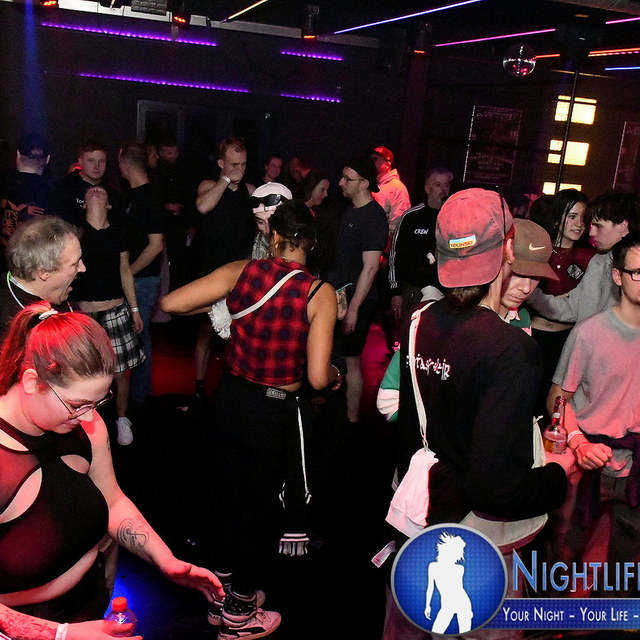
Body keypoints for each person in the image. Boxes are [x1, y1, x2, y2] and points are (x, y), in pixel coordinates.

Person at [383, 188, 568, 640]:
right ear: (507, 249)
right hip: (477, 541)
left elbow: (410, 434)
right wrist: (557, 478)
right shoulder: (511, 348)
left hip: (427, 515)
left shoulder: (419, 320)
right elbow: (494, 488)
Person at [161, 200, 341, 640]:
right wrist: (337, 376)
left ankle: (219, 595)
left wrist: (221, 307)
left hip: (230, 401)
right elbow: (318, 378)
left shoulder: (240, 272)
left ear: (273, 236)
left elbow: (170, 303)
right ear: (311, 243)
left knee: (228, 498)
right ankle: (239, 613)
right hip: (273, 412)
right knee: (259, 511)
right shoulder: (318, 292)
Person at [0, 303, 223, 640]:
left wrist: (164, 559)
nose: (88, 416)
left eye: (97, 403)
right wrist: (62, 635)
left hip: (88, 607)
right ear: (32, 381)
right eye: (77, 405)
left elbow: (112, 501)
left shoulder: (85, 426)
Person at [547, 233, 640, 595]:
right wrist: (578, 442)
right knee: (563, 555)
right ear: (617, 276)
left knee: (623, 569)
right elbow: (558, 398)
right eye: (637, 273)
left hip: (634, 465)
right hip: (588, 462)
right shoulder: (590, 333)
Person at [72, 185, 144, 446]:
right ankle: (85, 420)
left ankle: (122, 418)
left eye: (101, 191)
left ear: (109, 204)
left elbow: (125, 271)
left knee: (121, 373)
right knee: (83, 372)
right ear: (83, 203)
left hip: (115, 310)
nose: (95, 192)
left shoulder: (118, 232)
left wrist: (135, 310)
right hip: (84, 315)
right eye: (90, 191)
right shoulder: (74, 233)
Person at [191, 137, 256, 402]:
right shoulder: (209, 185)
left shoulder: (250, 190)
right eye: (233, 164)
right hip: (211, 270)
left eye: (243, 164)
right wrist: (226, 179)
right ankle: (198, 388)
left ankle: (232, 388)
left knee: (239, 333)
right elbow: (203, 206)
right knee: (206, 330)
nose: (239, 169)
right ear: (221, 163)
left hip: (240, 272)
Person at [527, 190, 640, 325]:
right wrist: (528, 292)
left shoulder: (594, 258)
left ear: (623, 225)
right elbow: (574, 310)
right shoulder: (599, 262)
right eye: (572, 216)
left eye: (598, 226)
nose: (591, 232)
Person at [528, 189, 594, 415]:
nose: (579, 224)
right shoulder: (540, 250)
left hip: (567, 339)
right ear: (557, 218)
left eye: (583, 218)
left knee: (555, 403)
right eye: (572, 216)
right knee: (529, 397)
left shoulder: (590, 257)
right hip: (536, 336)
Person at [335, 155, 388, 423]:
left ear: (365, 183)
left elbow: (370, 268)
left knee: (351, 359)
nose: (341, 182)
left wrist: (354, 308)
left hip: (360, 299)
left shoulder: (374, 216)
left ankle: (352, 421)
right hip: (343, 295)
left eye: (348, 179)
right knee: (338, 356)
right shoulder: (351, 210)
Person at [118, 141, 166, 405]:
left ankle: (140, 397)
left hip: (143, 280)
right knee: (135, 336)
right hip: (137, 279)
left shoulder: (149, 196)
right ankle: (135, 395)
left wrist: (128, 272)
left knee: (139, 336)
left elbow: (156, 245)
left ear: (124, 163)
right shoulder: (134, 195)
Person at [0, 216, 85, 339]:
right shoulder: (12, 327)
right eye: (75, 263)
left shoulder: (64, 299)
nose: (83, 268)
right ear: (44, 272)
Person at [388, 167, 453, 326]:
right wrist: (396, 292)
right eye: (438, 185)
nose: (443, 190)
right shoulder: (411, 217)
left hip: (445, 292)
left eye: (446, 185)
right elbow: (395, 255)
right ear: (427, 188)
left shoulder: (454, 217)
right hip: (414, 290)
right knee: (410, 332)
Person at [0, 133, 55, 266]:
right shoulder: (55, 195)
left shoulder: (2, 182)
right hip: (32, 268)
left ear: (18, 155)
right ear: (47, 159)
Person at [54, 138, 111, 227]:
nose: (97, 166)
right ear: (80, 161)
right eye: (91, 160)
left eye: (101, 161)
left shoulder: (113, 192)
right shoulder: (63, 188)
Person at [370, 146, 411, 239]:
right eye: (370, 159)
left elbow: (399, 223)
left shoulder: (397, 188)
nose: (371, 162)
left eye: (375, 159)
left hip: (382, 242)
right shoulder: (369, 184)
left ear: (387, 163)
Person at [250, 182, 292, 259]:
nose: (267, 230)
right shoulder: (250, 250)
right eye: (261, 222)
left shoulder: (302, 245)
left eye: (272, 221)